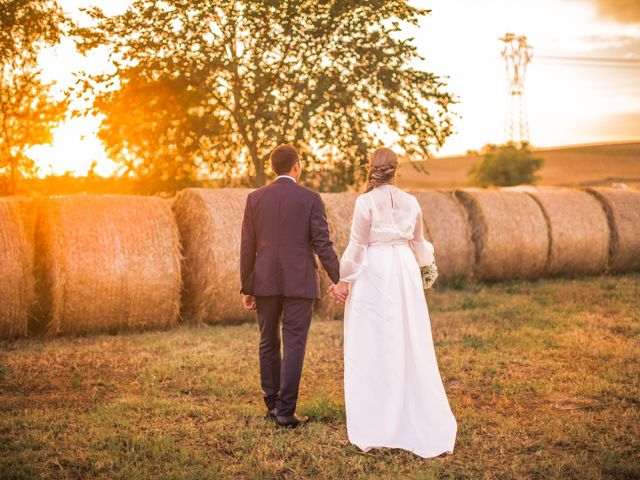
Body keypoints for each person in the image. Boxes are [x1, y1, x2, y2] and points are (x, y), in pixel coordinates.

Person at [330, 147, 457, 458]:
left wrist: (343, 281)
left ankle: (378, 418)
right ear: (396, 169)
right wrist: (426, 270)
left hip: (375, 270)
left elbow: (358, 244)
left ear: (370, 168)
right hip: (403, 269)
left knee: (373, 340)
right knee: (407, 336)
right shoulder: (411, 201)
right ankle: (409, 411)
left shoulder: (365, 202)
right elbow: (419, 243)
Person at [240, 144, 341, 428]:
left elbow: (247, 245)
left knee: (267, 340)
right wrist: (338, 277)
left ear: (274, 167)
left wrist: (248, 285)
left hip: (265, 279)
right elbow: (323, 243)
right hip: (299, 280)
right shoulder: (310, 198)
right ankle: (286, 411)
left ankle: (272, 404)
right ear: (297, 165)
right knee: (294, 341)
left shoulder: (255, 198)